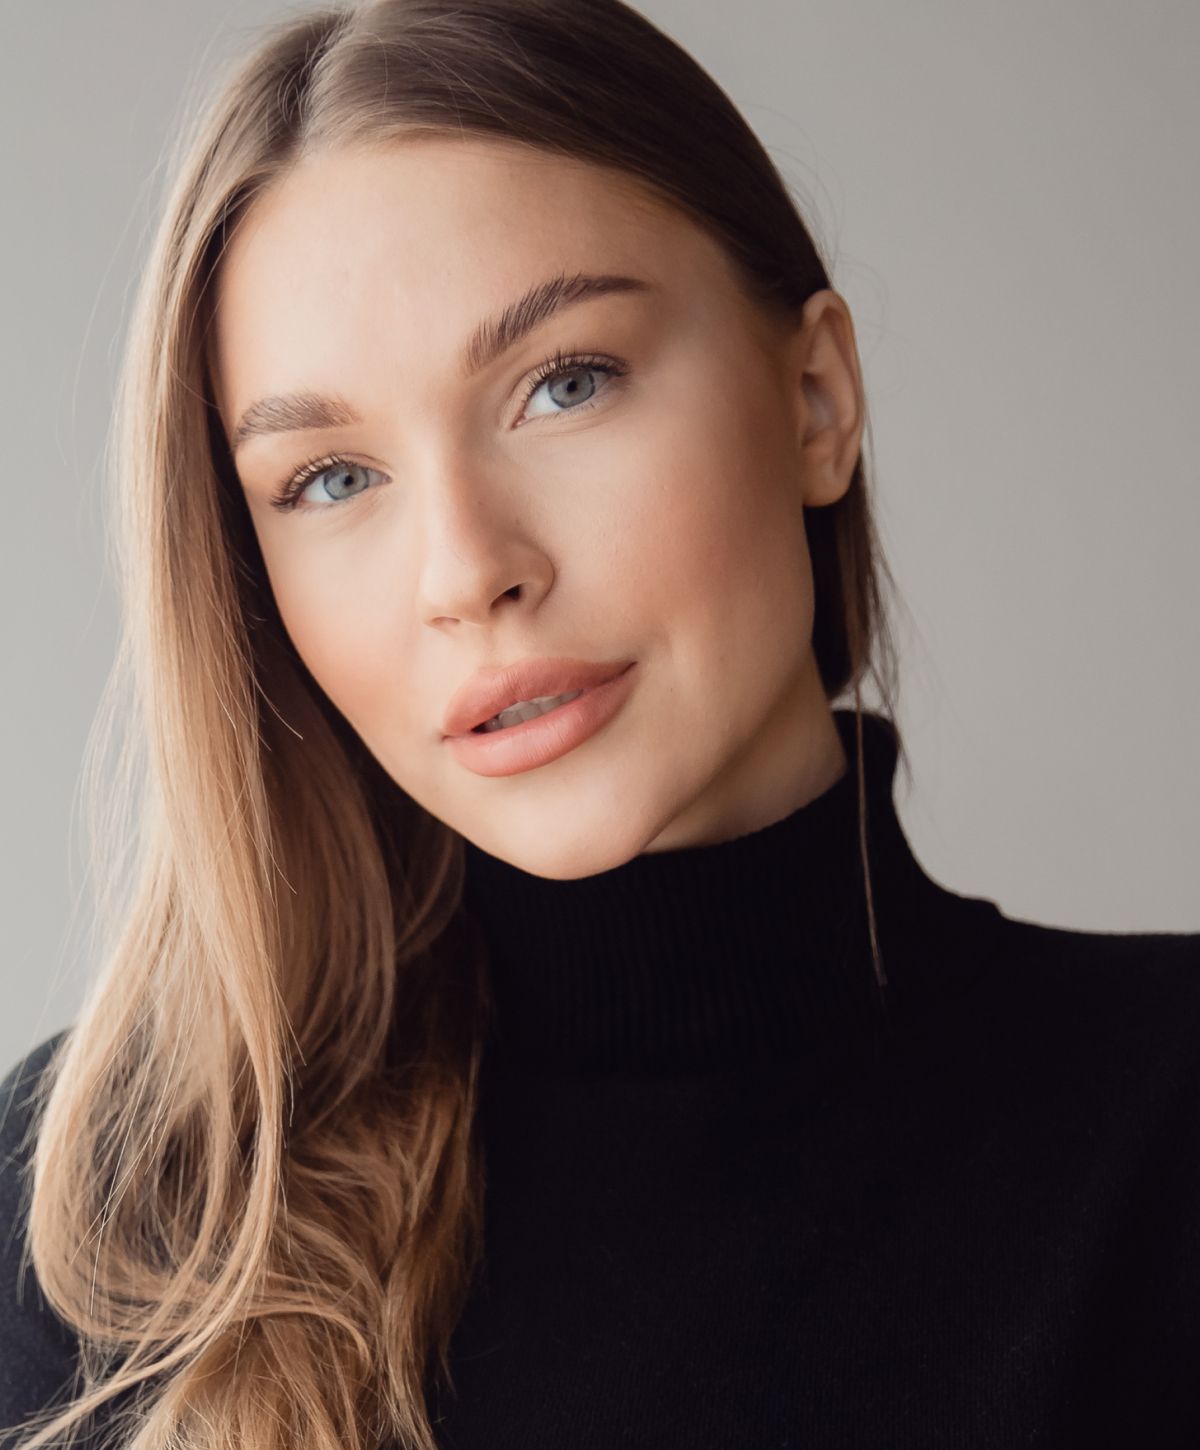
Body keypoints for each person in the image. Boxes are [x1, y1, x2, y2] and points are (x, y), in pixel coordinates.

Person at [2, 0, 1198, 1446]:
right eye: (329, 478)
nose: (468, 569)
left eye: (563, 383)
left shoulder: (1160, 1125)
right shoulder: (108, 1214)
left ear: (816, 395)